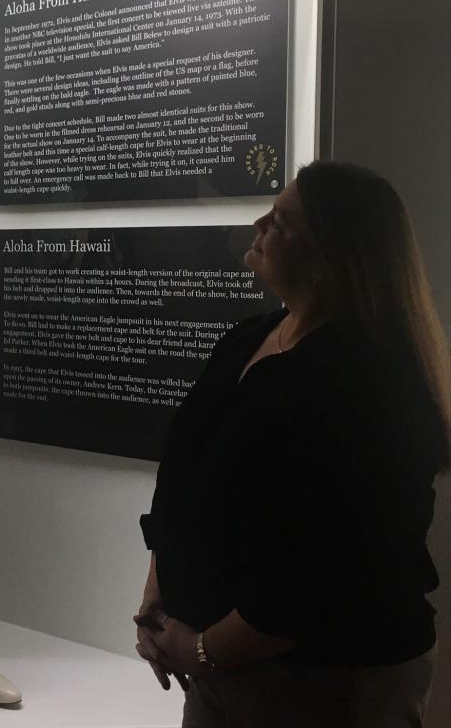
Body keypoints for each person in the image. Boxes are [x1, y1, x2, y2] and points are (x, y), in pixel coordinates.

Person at [136, 161, 449, 727]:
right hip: (220, 667)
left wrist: (200, 649)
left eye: (280, 221)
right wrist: (158, 600)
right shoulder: (248, 339)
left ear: (328, 259)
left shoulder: (371, 384)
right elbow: (185, 477)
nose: (258, 222)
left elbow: (321, 573)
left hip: (324, 681)